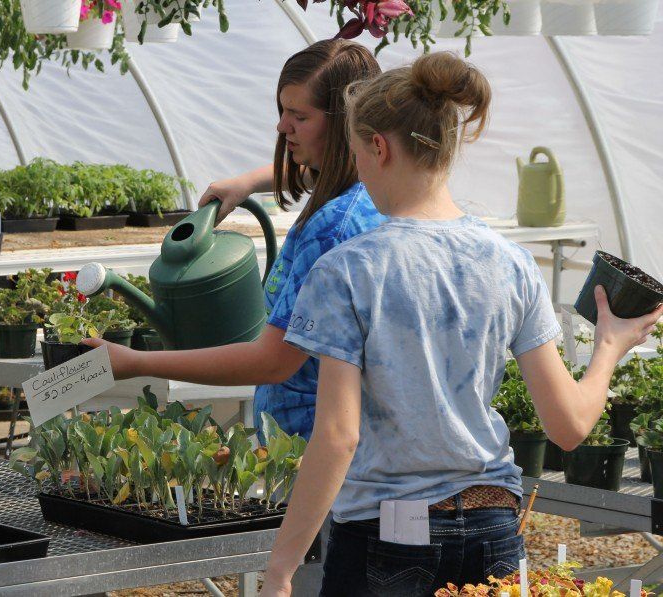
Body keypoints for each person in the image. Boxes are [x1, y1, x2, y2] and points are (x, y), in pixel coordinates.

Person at [249, 52, 663, 596]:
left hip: (387, 533)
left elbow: (338, 435)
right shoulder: (510, 264)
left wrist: (281, 567)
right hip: (495, 528)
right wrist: (609, 346)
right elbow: (567, 427)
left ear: (379, 148)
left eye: (355, 152)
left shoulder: (349, 270)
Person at [85, 39, 386, 439]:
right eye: (282, 111)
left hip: (313, 449)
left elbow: (273, 362)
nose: (282, 127)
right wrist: (248, 183)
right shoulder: (369, 193)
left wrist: (137, 361)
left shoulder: (332, 228)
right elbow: (324, 170)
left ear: (346, 123)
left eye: (299, 116)